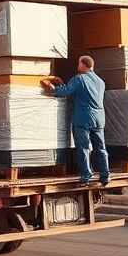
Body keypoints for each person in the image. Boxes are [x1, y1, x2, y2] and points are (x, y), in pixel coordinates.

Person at [42, 55, 110, 186]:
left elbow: (66, 91)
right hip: (99, 118)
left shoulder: (79, 79)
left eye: (79, 63)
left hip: (83, 118)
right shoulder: (101, 81)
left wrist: (52, 88)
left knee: (83, 147)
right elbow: (86, 95)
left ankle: (86, 175)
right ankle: (105, 175)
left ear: (83, 65)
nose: (77, 66)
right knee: (100, 148)